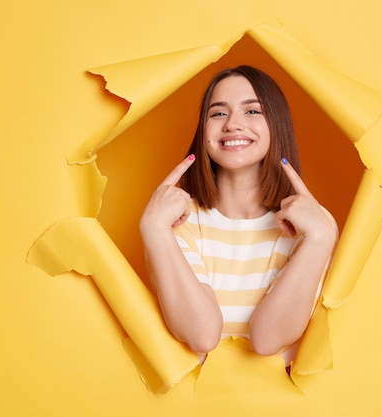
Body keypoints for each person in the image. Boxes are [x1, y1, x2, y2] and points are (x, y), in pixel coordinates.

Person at [140, 65, 338, 363]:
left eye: (252, 111)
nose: (233, 124)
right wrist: (154, 228)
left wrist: (321, 237)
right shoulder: (173, 221)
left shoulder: (312, 225)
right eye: (218, 113)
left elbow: (268, 339)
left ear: (276, 125)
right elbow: (202, 335)